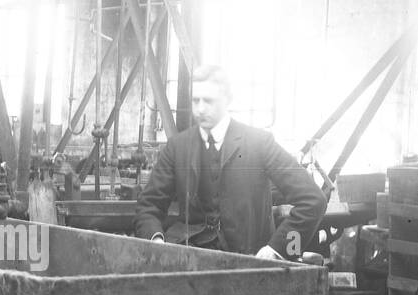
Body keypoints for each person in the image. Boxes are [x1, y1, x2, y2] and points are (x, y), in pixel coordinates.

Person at [134, 65, 325, 260]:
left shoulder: (259, 142)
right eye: (195, 100)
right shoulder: (178, 146)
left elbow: (313, 200)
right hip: (190, 259)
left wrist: (281, 250)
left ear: (228, 100)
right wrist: (155, 242)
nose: (200, 109)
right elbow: (148, 205)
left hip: (248, 261)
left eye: (209, 101)